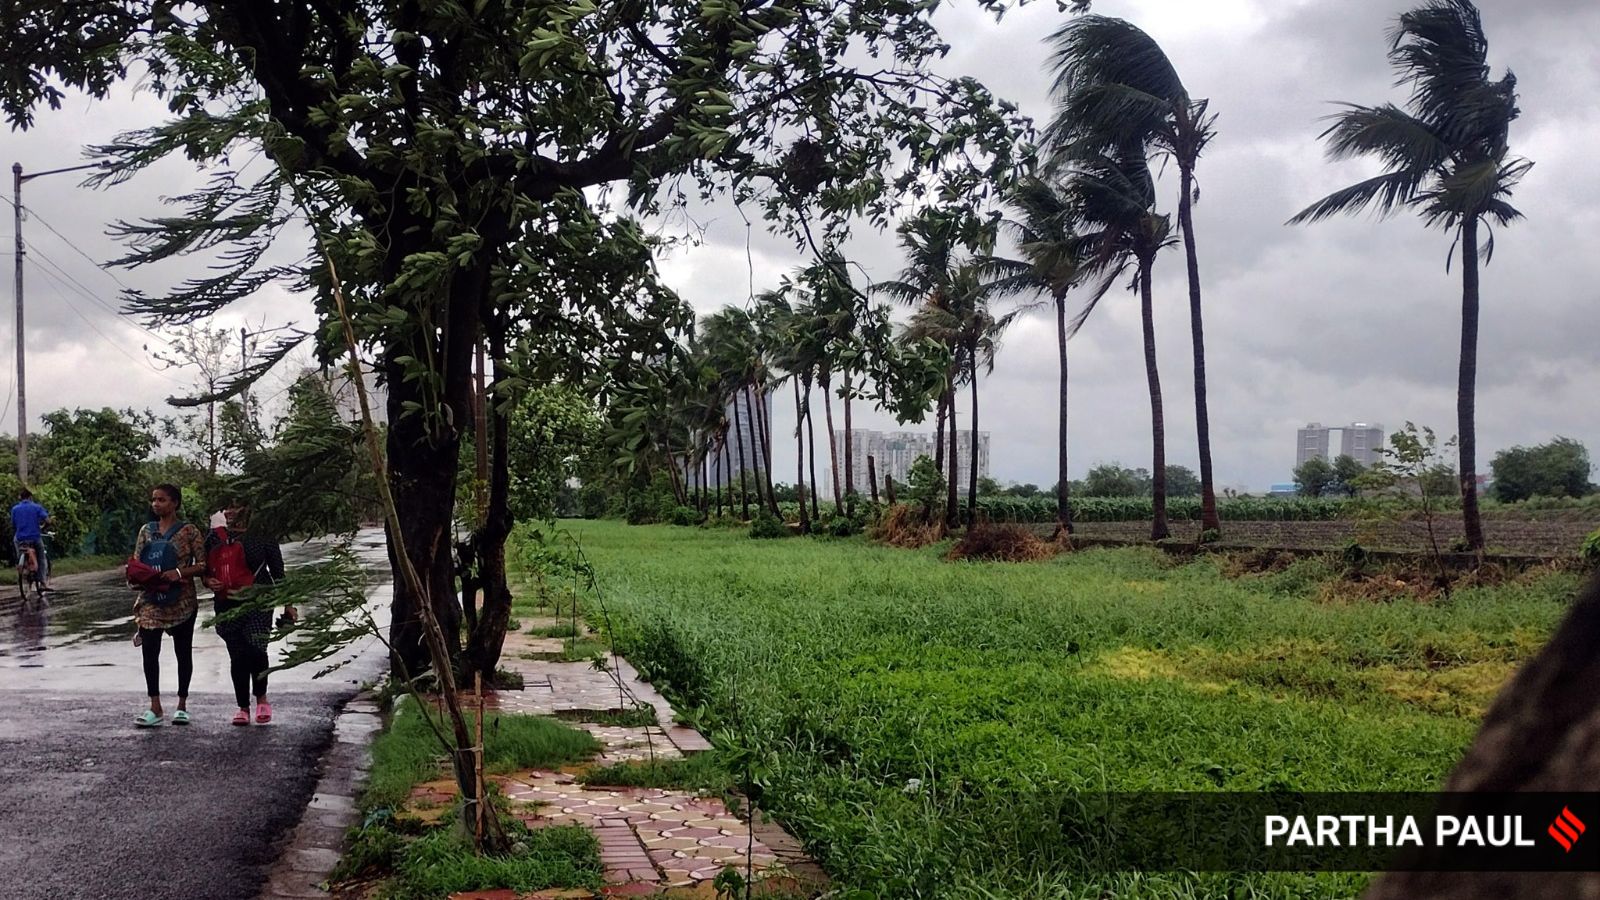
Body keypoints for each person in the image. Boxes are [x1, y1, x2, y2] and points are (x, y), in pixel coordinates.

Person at [204, 501, 292, 725]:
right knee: (238, 655)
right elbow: (205, 569)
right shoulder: (215, 537)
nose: (230, 511)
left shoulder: (262, 535)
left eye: (236, 506)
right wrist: (208, 581)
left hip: (259, 601)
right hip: (227, 603)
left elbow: (278, 571)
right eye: (227, 507)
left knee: (256, 647)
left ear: (249, 507)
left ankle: (261, 698)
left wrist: (288, 604)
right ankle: (242, 707)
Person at [129, 483, 204, 728]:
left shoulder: (189, 531)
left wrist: (179, 572)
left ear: (175, 503)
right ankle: (155, 706)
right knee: (150, 652)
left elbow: (203, 564)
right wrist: (137, 576)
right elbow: (138, 561)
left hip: (182, 600)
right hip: (152, 600)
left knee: (183, 652)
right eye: (154, 500)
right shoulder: (146, 531)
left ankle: (182, 705)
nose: (156, 504)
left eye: (161, 500)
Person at [10, 488, 53, 591]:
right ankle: (42, 582)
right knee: (42, 557)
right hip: (35, 537)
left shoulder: (15, 509)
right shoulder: (37, 507)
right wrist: (43, 527)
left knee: (18, 546)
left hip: (20, 537)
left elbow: (13, 524)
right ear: (30, 497)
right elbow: (48, 521)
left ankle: (22, 563)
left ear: (20, 498)